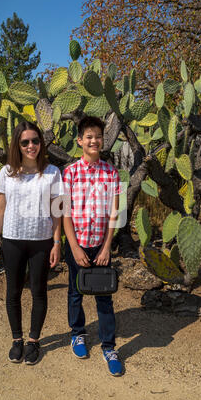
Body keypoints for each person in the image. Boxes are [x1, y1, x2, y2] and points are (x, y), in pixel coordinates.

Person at [0, 120, 63, 365]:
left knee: (39, 292)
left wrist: (57, 243)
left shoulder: (53, 172)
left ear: (41, 143)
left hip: (41, 241)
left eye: (35, 140)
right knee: (12, 292)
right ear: (17, 145)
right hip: (12, 239)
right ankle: (17, 340)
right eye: (25, 142)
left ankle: (33, 341)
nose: (31, 145)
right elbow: (0, 208)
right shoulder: (7, 172)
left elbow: (57, 212)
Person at [62, 116, 123, 376]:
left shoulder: (112, 173)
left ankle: (109, 347)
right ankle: (78, 333)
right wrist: (74, 248)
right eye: (88, 136)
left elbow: (115, 214)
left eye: (98, 136)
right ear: (80, 140)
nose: (94, 140)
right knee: (75, 293)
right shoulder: (69, 173)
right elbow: (64, 214)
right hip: (77, 244)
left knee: (104, 298)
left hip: (101, 246)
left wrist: (107, 247)